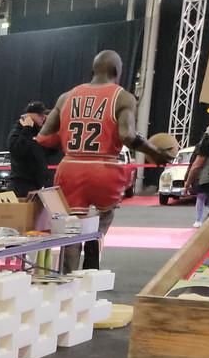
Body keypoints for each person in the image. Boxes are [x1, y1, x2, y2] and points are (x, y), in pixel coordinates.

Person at [36, 50, 177, 272]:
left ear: (94, 69)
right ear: (117, 71)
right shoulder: (123, 97)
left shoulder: (66, 97)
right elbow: (127, 135)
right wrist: (154, 150)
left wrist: (68, 143)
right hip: (103, 167)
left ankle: (68, 274)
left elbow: (43, 137)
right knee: (105, 213)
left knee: (71, 227)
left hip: (70, 167)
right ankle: (95, 240)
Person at [7, 101, 52, 197]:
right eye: (40, 115)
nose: (43, 118)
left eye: (44, 115)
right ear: (28, 116)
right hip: (21, 186)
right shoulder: (18, 131)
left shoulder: (38, 133)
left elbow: (51, 151)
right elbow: (19, 151)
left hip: (37, 185)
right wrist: (27, 128)